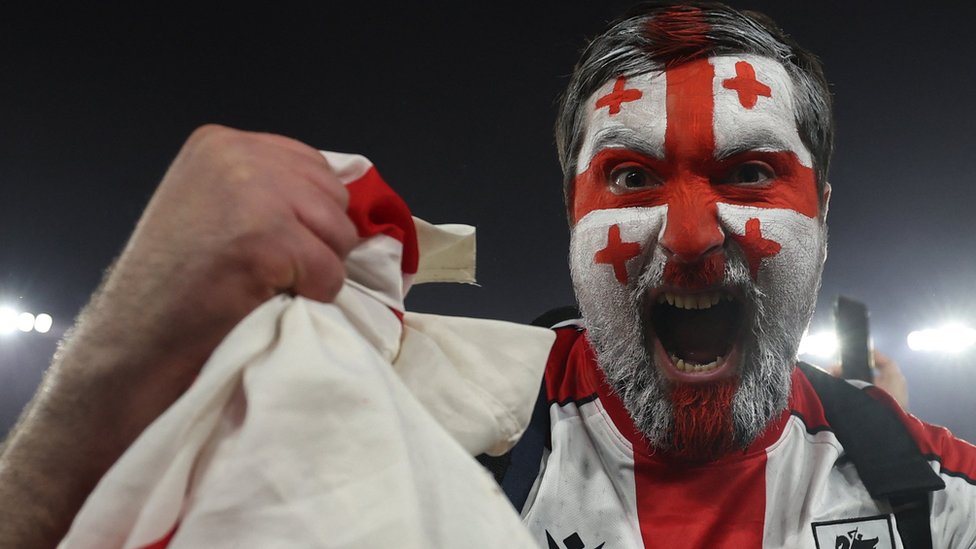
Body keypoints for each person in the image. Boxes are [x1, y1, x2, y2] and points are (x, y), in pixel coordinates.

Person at [0, 1, 972, 548]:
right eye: (628, 176)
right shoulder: (399, 420)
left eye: (749, 172)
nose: (685, 237)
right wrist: (128, 345)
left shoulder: (939, 499)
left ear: (823, 219)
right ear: (571, 217)